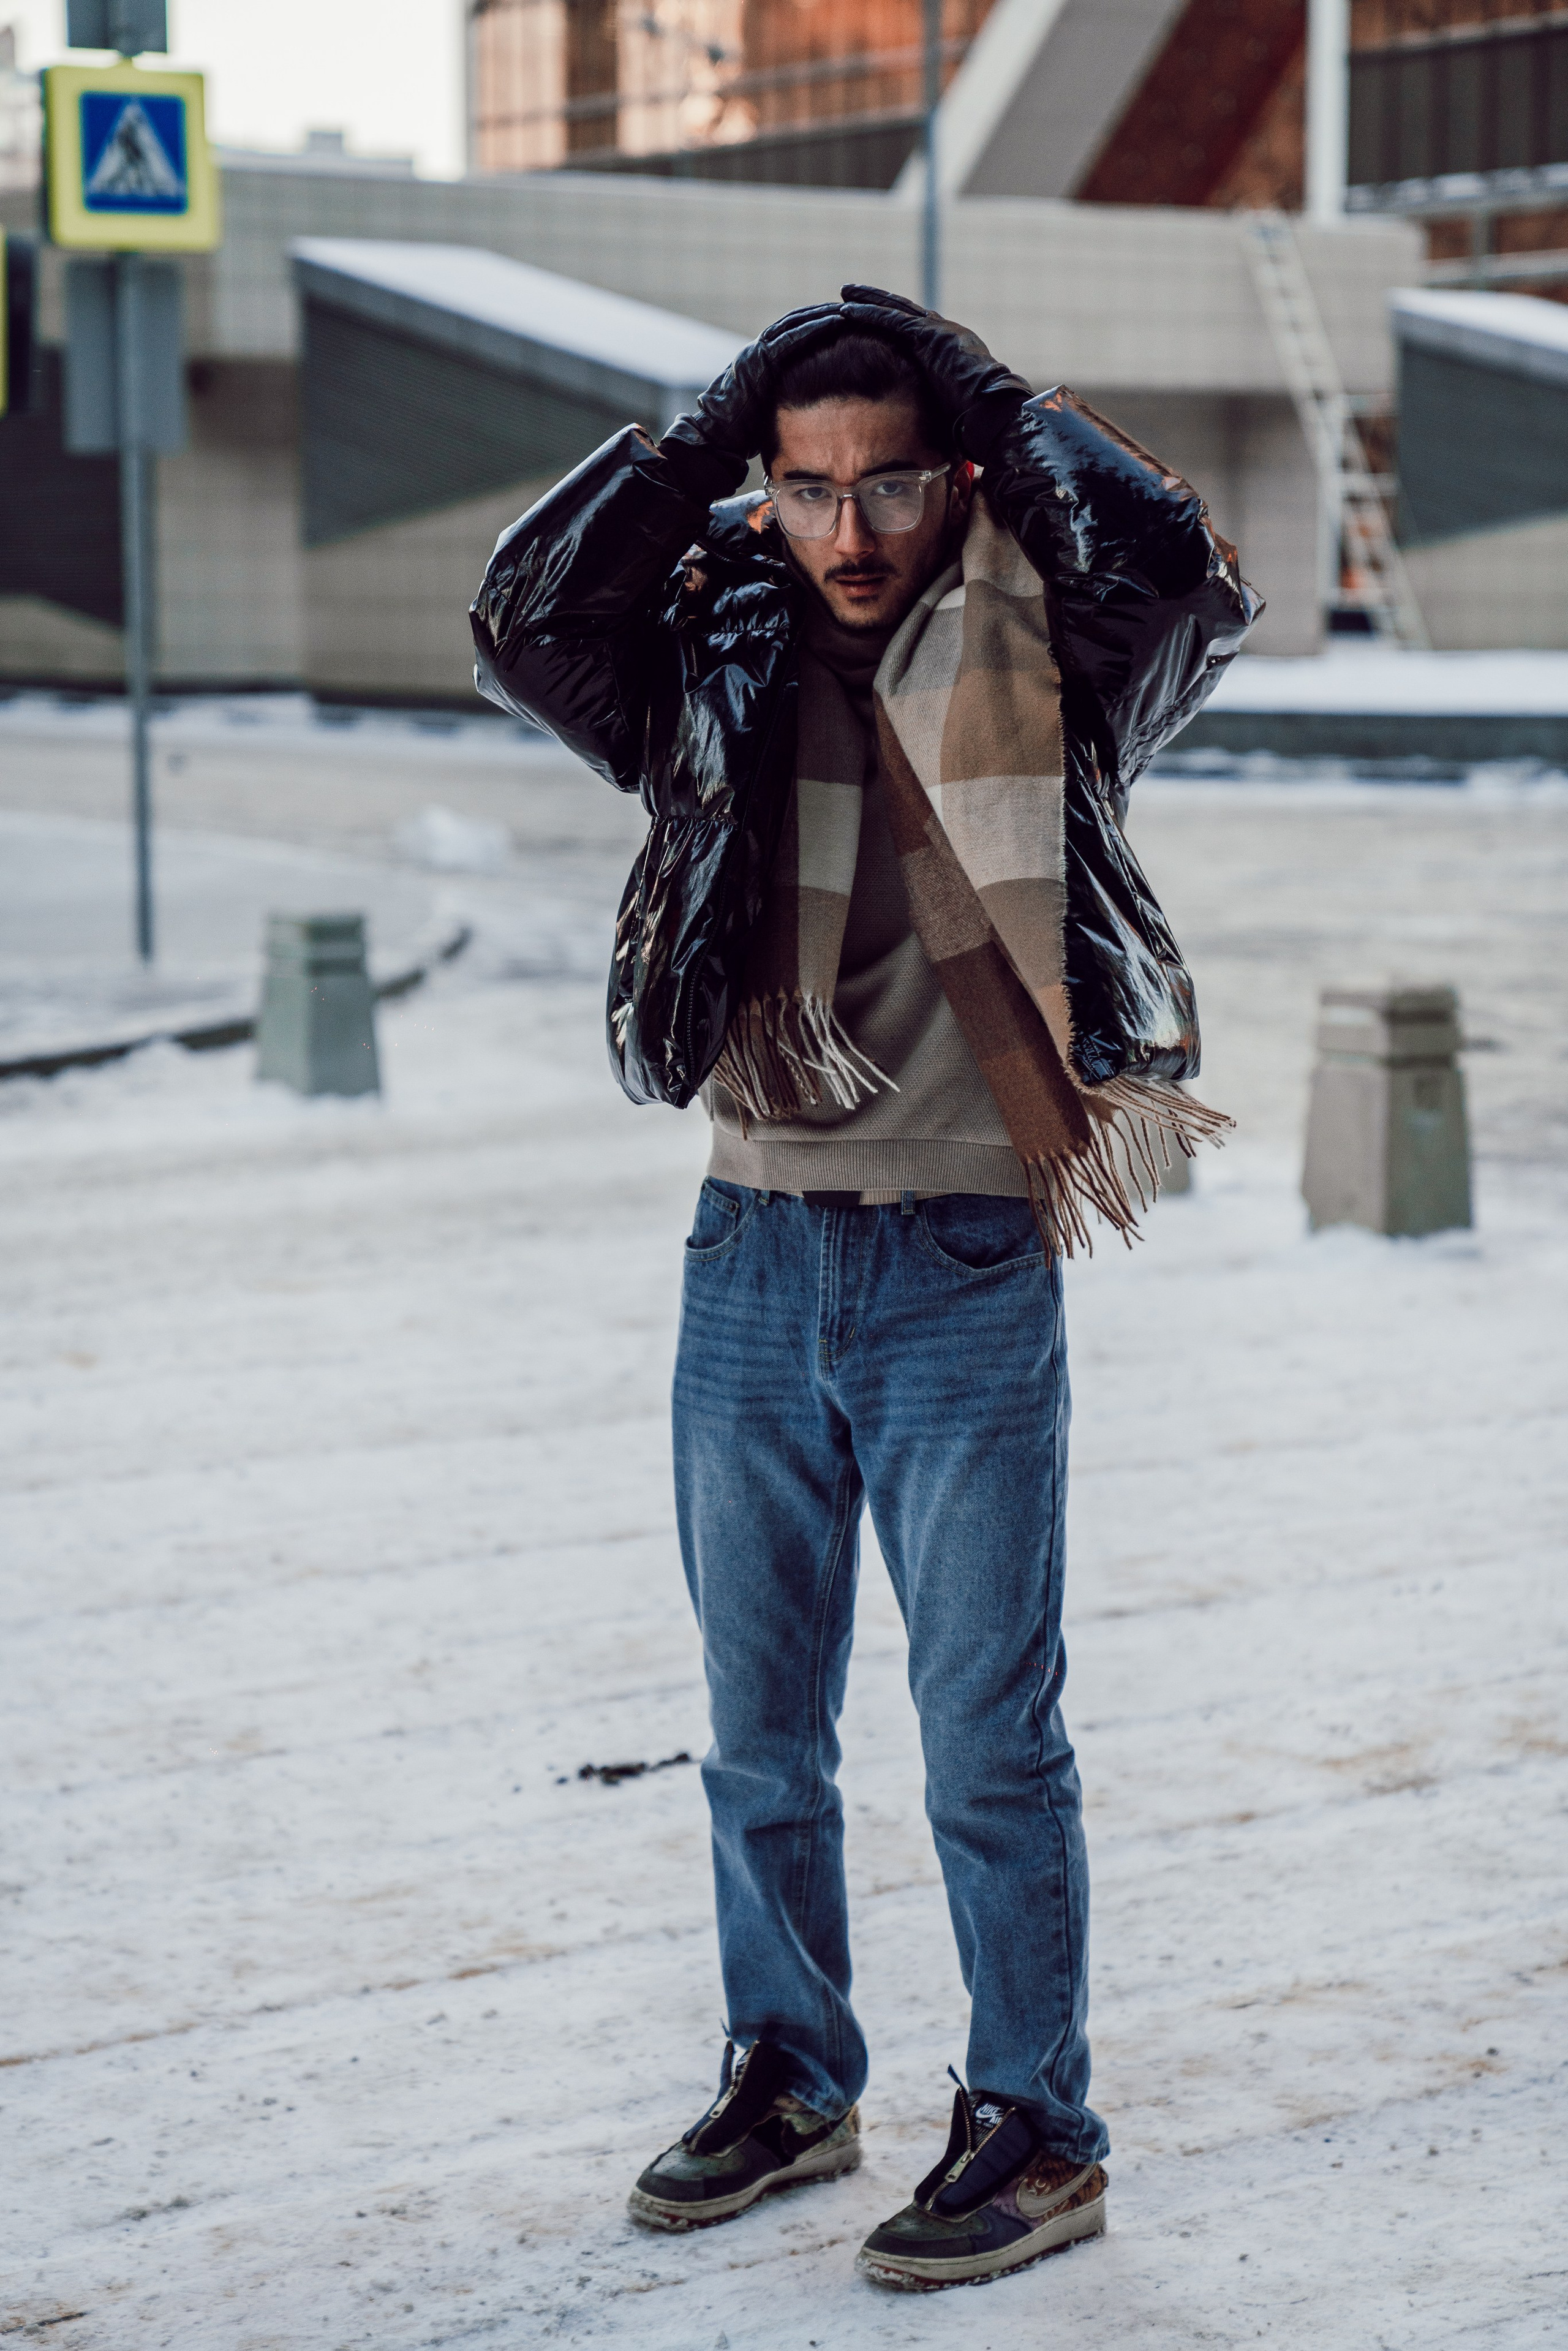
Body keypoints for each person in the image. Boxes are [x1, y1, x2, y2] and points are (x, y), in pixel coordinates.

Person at [472, 287, 1257, 2291]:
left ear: (957, 477)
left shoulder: (1055, 658)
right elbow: (521, 618)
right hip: (752, 1240)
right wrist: (704, 421)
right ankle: (791, 2073)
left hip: (965, 1247)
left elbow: (1184, 574)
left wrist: (990, 385)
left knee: (989, 1734)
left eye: (889, 481)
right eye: (805, 484)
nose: (847, 528)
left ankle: (1039, 2126)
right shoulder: (709, 659)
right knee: (759, 1728)